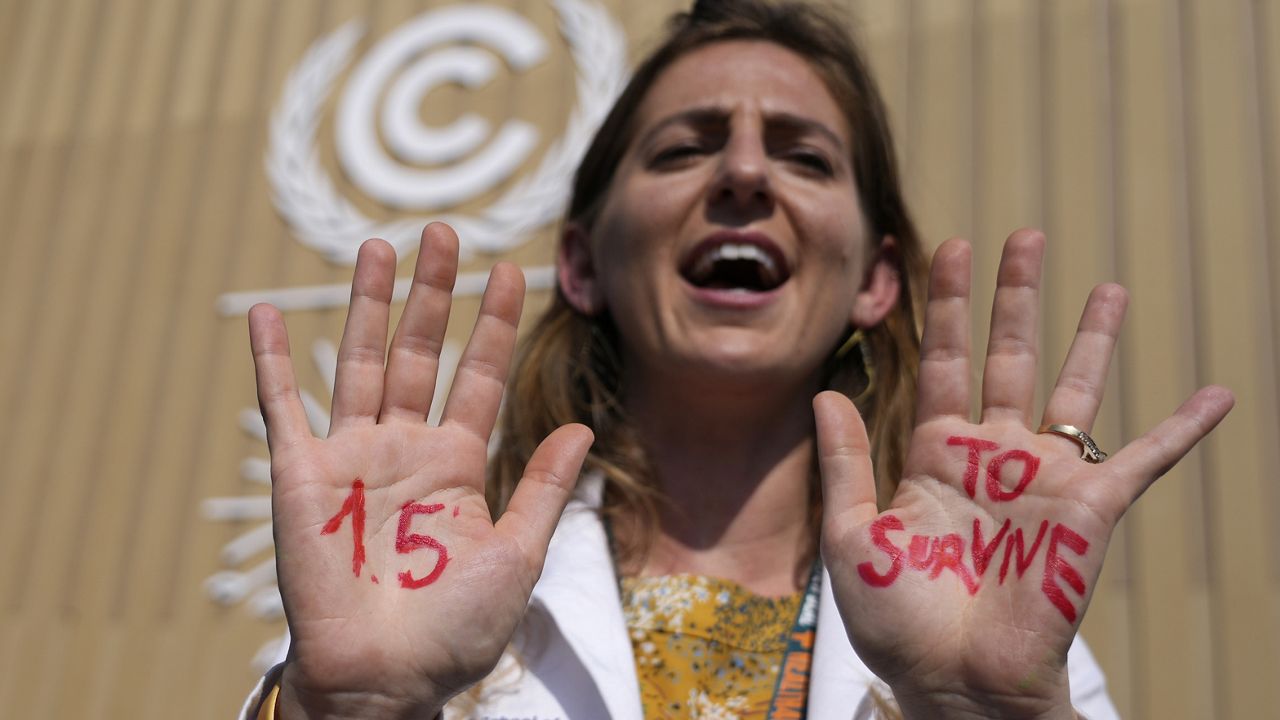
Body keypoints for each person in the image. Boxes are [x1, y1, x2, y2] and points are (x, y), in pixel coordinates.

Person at [240, 1, 1234, 717]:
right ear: (583, 264)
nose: (745, 173)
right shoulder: (412, 582)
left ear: (874, 281)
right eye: (684, 148)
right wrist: (347, 710)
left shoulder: (991, 622)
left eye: (804, 156)